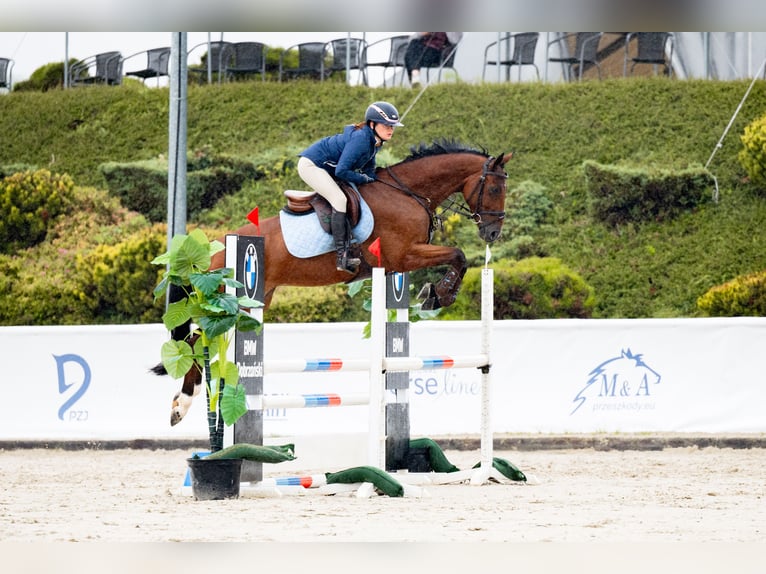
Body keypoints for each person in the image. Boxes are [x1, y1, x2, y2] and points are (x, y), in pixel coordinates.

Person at [297, 101, 404, 274]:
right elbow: (342, 170)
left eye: (393, 126)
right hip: (312, 165)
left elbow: (370, 169)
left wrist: (378, 181)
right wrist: (363, 178)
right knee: (339, 199)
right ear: (372, 124)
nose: (390, 130)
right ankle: (342, 256)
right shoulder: (362, 139)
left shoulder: (374, 141)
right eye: (386, 125)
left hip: (328, 168)